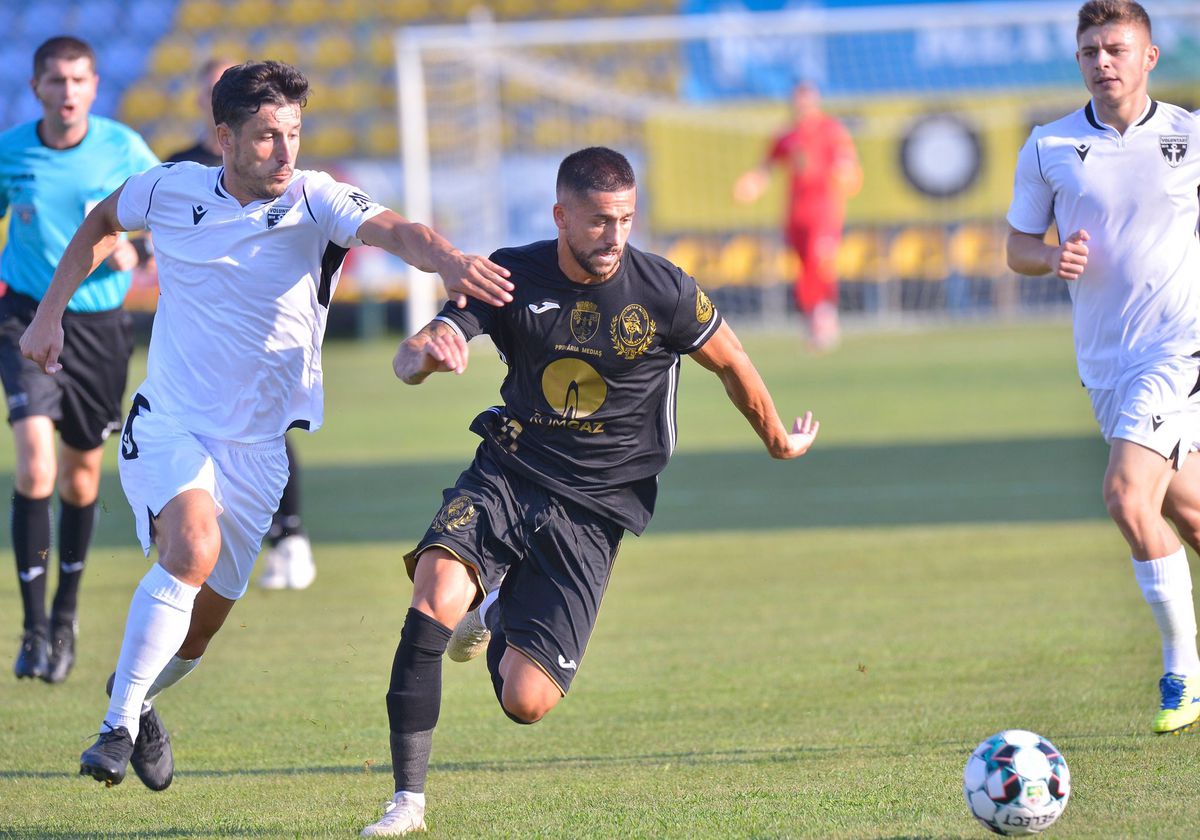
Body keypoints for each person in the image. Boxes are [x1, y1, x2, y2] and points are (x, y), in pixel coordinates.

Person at [19, 60, 514, 790]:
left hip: (259, 452)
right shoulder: (170, 188)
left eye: (294, 134)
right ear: (223, 137)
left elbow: (396, 229)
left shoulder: (317, 199)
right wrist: (49, 311)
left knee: (201, 627)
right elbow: (100, 221)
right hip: (171, 423)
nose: (285, 152)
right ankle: (115, 728)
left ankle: (138, 696)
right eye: (265, 137)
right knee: (190, 546)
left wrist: (446, 261)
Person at [360, 146, 820, 836]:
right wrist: (424, 354)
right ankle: (407, 803)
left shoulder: (661, 289)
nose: (614, 236)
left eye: (626, 220)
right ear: (561, 215)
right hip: (509, 471)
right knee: (431, 596)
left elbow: (733, 362)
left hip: (596, 505)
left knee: (527, 701)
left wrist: (777, 437)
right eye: (600, 221)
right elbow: (416, 352)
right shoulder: (511, 272)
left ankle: (495, 609)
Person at [1006, 0, 1200, 735]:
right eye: (1090, 51)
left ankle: (1182, 674)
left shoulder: (1190, 135)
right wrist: (1051, 256)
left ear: (1149, 57)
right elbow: (1016, 245)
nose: (1103, 62)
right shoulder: (1049, 145)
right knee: (1187, 512)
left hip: (1179, 350)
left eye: (1117, 48)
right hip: (1105, 364)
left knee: (1126, 497)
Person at [0, 36, 158, 684]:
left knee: (80, 481)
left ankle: (65, 616)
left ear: (94, 87)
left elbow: (162, 221)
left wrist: (135, 252)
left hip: (99, 328)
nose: (67, 92)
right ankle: (33, 627)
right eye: (55, 81)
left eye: (78, 80)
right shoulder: (12, 152)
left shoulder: (123, 148)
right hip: (27, 317)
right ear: (37, 87)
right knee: (36, 464)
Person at [165, 57, 315, 590]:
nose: (281, 145)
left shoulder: (295, 187)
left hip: (262, 350)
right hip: (197, 350)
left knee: (268, 429)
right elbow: (138, 230)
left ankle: (291, 538)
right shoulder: (177, 173)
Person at [733, 81, 861, 352]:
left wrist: (847, 175)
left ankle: (824, 318)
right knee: (803, 267)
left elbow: (848, 166)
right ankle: (812, 319)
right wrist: (752, 184)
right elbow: (766, 168)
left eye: (807, 100)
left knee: (820, 261)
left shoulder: (831, 130)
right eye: (798, 101)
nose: (802, 106)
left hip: (824, 210)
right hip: (796, 213)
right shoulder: (786, 135)